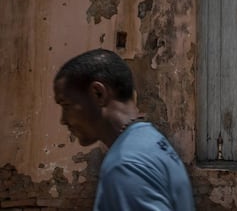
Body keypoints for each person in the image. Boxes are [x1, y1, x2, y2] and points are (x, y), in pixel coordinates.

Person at [53, 48, 195, 211]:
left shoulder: (125, 165)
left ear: (98, 94)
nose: (63, 120)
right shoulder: (151, 139)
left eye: (66, 105)